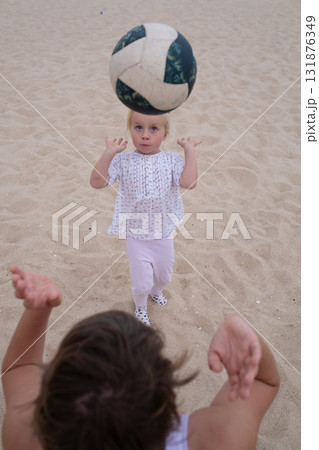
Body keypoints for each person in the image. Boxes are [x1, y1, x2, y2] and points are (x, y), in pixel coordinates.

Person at [2, 265, 280, 450]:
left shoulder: (26, 436)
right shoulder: (215, 440)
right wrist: (249, 339)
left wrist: (37, 310)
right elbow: (263, 382)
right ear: (166, 403)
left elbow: (20, 367)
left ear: (48, 401)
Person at [90, 111, 202, 325]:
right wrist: (108, 153)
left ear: (165, 134)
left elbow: (189, 182)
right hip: (136, 235)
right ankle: (140, 308)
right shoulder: (123, 161)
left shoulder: (170, 160)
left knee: (163, 277)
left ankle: (156, 291)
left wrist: (189, 151)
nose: (145, 135)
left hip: (163, 233)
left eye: (154, 129)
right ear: (130, 130)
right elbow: (96, 182)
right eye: (138, 127)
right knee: (141, 283)